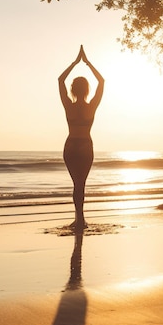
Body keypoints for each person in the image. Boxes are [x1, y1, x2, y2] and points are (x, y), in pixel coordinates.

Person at [58, 46, 104, 229]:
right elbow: (102, 81)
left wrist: (75, 63)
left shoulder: (68, 105)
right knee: (81, 184)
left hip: (70, 146)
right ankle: (80, 219)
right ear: (86, 90)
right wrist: (88, 63)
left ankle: (79, 219)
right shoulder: (91, 106)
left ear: (73, 89)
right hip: (85, 146)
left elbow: (60, 79)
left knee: (76, 183)